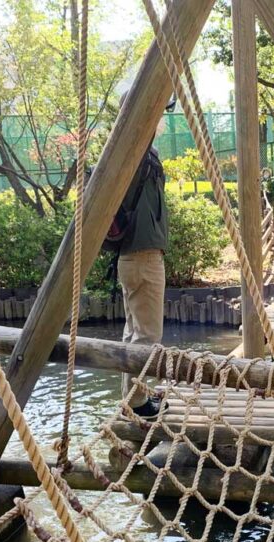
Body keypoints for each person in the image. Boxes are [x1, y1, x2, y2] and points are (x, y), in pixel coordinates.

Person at [112, 139, 169, 418]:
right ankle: (136, 403)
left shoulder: (128, 154)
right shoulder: (138, 154)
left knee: (133, 332)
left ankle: (132, 395)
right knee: (147, 336)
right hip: (143, 257)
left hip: (131, 256)